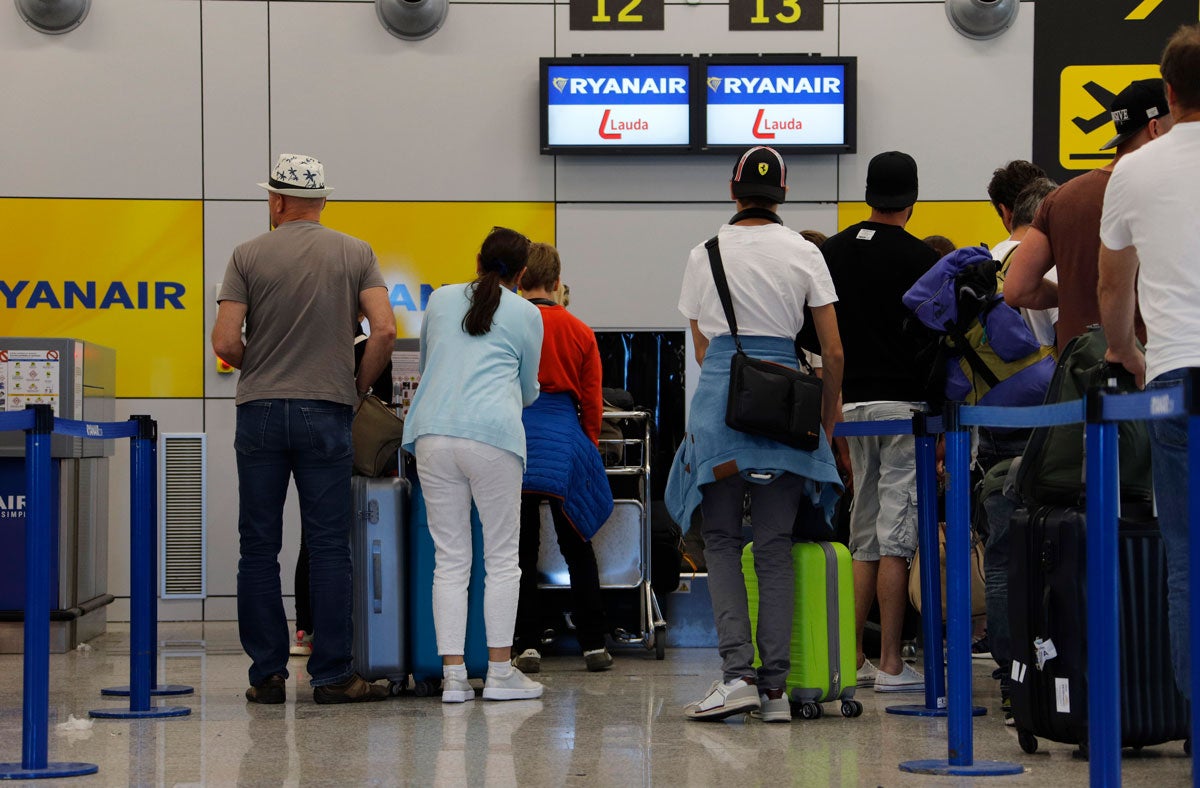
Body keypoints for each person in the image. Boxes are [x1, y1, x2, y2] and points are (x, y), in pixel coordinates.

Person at [666, 146, 845, 721]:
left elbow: (701, 344)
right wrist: (829, 414)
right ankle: (773, 692)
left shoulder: (705, 253)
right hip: (789, 402)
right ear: (784, 195)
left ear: (732, 189)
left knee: (720, 538)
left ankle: (735, 675)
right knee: (773, 545)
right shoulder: (804, 252)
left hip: (722, 397)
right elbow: (833, 349)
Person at [212, 153, 395, 704]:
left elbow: (224, 342)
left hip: (261, 413)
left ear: (275, 200)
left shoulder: (247, 254)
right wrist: (356, 385)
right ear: (322, 202)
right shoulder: (355, 252)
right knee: (329, 547)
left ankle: (268, 675)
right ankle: (332, 676)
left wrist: (263, 367)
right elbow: (383, 330)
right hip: (328, 411)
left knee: (258, 546)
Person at [401, 227, 546, 703]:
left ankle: (453, 678)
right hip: (494, 438)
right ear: (522, 274)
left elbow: (428, 363)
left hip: (433, 435)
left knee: (450, 559)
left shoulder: (440, 300)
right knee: (502, 559)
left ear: (478, 259)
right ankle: (501, 674)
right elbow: (527, 390)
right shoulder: (528, 313)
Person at [1099, 21, 1200, 702]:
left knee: (1187, 563)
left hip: (1174, 379)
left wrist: (1126, 352)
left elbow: (1112, 288)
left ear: (1167, 93)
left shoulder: (1134, 169)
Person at [819, 150, 938, 694]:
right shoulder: (922, 260)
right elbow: (941, 345)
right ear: (912, 200)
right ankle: (891, 662)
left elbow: (814, 337)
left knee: (862, 534)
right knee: (895, 540)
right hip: (904, 412)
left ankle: (850, 657)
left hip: (852, 410)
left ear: (867, 195)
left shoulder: (833, 253)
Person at [1004, 79, 1171, 352]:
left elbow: (1017, 288)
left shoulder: (1062, 199)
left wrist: (1074, 297)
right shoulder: (1169, 196)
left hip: (1081, 371)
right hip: (1150, 368)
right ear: (1155, 128)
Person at [511, 243, 615, 674]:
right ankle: (594, 644)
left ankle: (526, 644)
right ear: (557, 283)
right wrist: (586, 448)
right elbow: (592, 404)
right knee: (577, 546)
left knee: (518, 550)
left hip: (516, 435)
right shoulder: (579, 330)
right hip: (564, 437)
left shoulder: (508, 326)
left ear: (521, 282)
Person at [978, 171, 1058, 724]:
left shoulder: (982, 264)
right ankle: (1057, 672)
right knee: (1057, 551)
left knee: (1003, 555)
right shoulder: (1051, 264)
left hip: (993, 428)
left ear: (1007, 212)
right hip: (1054, 420)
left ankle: (1013, 683)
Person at [291, 322, 395, 658]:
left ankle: (307, 629)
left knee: (313, 540)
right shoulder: (374, 349)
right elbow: (382, 403)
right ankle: (357, 624)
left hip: (314, 452)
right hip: (359, 457)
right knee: (360, 542)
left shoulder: (313, 344)